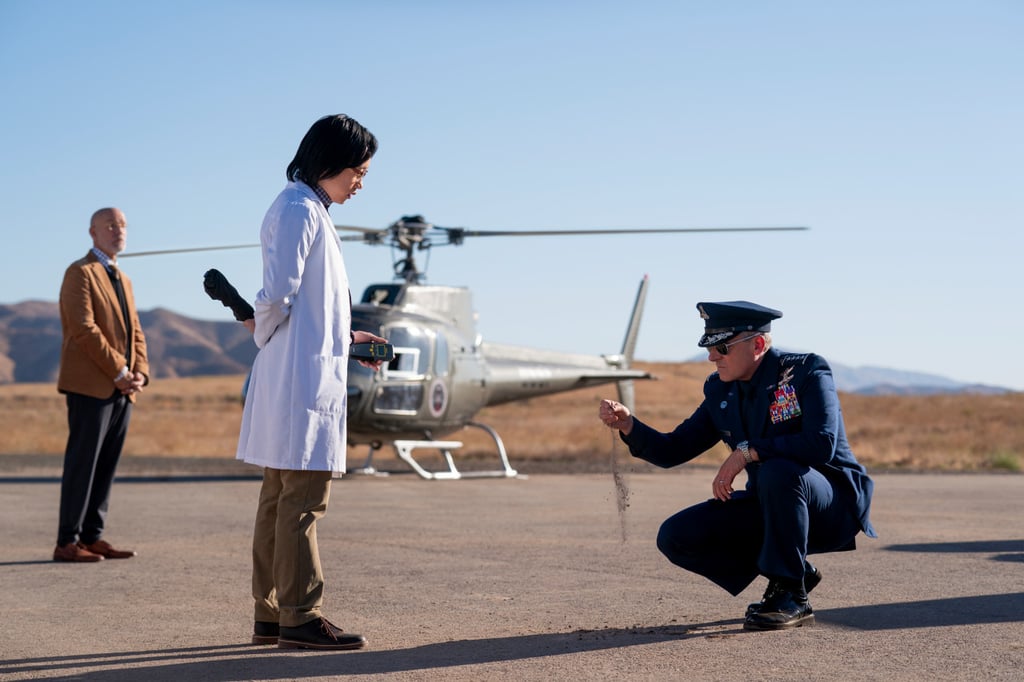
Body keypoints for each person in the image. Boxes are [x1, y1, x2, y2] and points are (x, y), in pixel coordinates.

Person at [599, 300, 875, 631]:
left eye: (722, 347)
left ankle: (791, 595)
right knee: (677, 535)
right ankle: (794, 570)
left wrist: (748, 452)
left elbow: (822, 442)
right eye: (709, 347)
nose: (712, 356)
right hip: (774, 504)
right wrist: (630, 425)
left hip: (831, 506)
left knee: (778, 471)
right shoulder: (721, 390)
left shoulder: (805, 373)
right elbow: (673, 449)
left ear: (758, 344)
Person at [235, 114, 387, 651]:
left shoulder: (304, 208)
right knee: (302, 500)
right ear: (330, 164)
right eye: (357, 170)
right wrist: (268, 334)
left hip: (296, 374)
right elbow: (277, 295)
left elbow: (308, 308)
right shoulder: (301, 210)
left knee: (278, 499)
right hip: (300, 381)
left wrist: (344, 338)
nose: (360, 182)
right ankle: (301, 614)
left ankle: (271, 614)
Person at [54, 207, 149, 563]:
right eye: (110, 225)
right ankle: (67, 541)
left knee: (106, 465)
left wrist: (139, 372)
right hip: (91, 386)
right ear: (92, 232)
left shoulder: (123, 279)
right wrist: (119, 370)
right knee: (83, 463)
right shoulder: (79, 273)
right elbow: (84, 329)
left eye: (122, 224)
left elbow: (136, 331)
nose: (118, 230)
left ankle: (92, 537)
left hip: (123, 389)